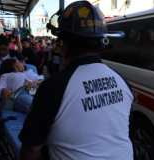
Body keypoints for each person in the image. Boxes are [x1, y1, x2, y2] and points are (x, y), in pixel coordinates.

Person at [19, 1, 134, 160]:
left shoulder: (53, 87)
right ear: (101, 42)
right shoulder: (123, 82)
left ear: (64, 44)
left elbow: (31, 150)